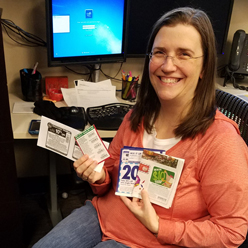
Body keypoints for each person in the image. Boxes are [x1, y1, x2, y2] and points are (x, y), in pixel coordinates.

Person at [33, 7, 248, 248]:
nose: (167, 66)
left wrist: (159, 226)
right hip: (101, 216)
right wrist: (99, 176)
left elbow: (231, 232)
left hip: (148, 241)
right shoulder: (137, 116)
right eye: (160, 52)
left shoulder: (221, 141)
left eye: (184, 54)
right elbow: (110, 174)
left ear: (205, 67)